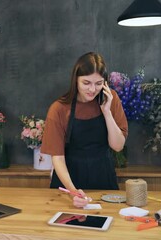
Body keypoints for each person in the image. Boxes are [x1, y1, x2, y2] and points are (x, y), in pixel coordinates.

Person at [41, 52, 128, 208]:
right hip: (69, 180)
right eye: (86, 83)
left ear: (106, 83)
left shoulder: (111, 100)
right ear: (76, 80)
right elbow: (58, 159)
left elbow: (118, 146)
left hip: (103, 175)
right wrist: (73, 192)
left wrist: (107, 112)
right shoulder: (59, 109)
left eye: (99, 83)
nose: (92, 89)